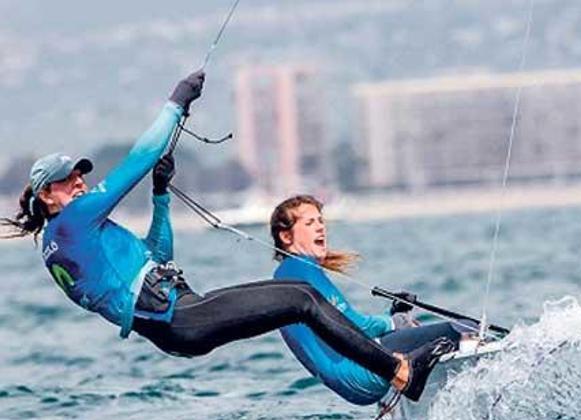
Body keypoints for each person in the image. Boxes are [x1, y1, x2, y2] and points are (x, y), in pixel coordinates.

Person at [0, 71, 447, 401]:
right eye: (67, 180)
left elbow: (157, 258)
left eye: (80, 174)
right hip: (180, 319)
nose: (78, 182)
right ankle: (401, 373)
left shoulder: (63, 240)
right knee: (302, 298)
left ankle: (385, 351)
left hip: (179, 321)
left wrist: (160, 196)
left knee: (297, 294)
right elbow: (140, 156)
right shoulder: (73, 222)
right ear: (46, 196)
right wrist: (176, 103)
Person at [270, 195, 471, 405]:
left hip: (354, 385)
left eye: (321, 221)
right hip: (365, 371)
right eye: (310, 223)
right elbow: (352, 327)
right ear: (286, 236)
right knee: (462, 329)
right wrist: (394, 321)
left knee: (416, 335)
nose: (320, 228)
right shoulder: (301, 269)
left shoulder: (285, 274)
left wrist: (391, 318)